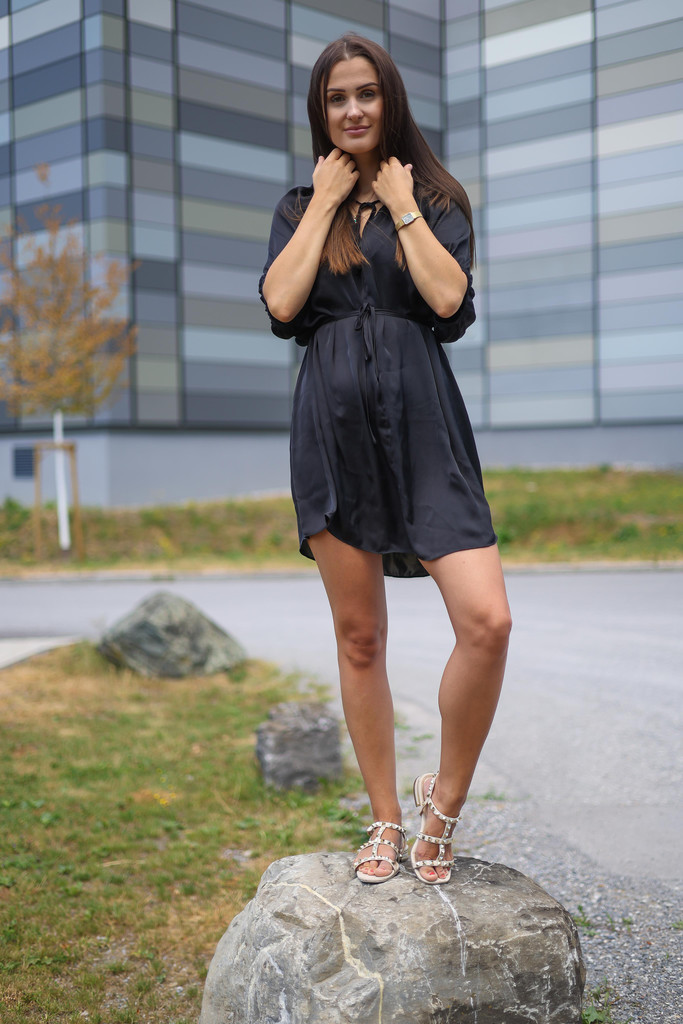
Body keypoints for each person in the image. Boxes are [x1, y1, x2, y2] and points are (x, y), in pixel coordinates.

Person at [259, 34, 511, 885]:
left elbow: (446, 300)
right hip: (331, 434)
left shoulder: (436, 199)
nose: (352, 109)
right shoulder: (301, 206)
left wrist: (402, 207)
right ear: (319, 111)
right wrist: (327, 202)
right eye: (336, 98)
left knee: (486, 622)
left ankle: (443, 804)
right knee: (359, 636)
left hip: (425, 429)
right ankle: (384, 820)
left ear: (390, 99)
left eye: (365, 93)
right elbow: (282, 303)